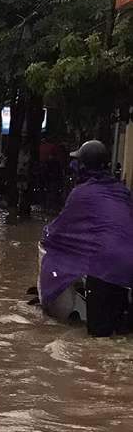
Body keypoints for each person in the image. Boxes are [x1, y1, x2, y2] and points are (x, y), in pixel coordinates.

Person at [40, 140, 133, 337]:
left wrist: (46, 234)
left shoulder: (81, 194)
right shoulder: (121, 191)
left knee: (98, 339)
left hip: (104, 269)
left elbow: (60, 231)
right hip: (128, 269)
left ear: (83, 166)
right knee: (120, 334)